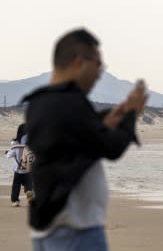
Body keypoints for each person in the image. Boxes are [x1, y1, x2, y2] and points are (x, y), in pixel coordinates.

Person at [22, 28, 148, 251]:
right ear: (80, 62)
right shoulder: (71, 102)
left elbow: (74, 143)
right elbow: (111, 148)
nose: (100, 73)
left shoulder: (39, 103)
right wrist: (131, 115)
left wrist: (103, 123)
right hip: (76, 229)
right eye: (99, 65)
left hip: (48, 228)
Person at [5, 123, 33, 207]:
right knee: (29, 185)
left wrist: (6, 153)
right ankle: (29, 193)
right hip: (28, 170)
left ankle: (15, 201)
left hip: (18, 170)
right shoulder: (31, 145)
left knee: (16, 187)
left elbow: (9, 155)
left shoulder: (16, 146)